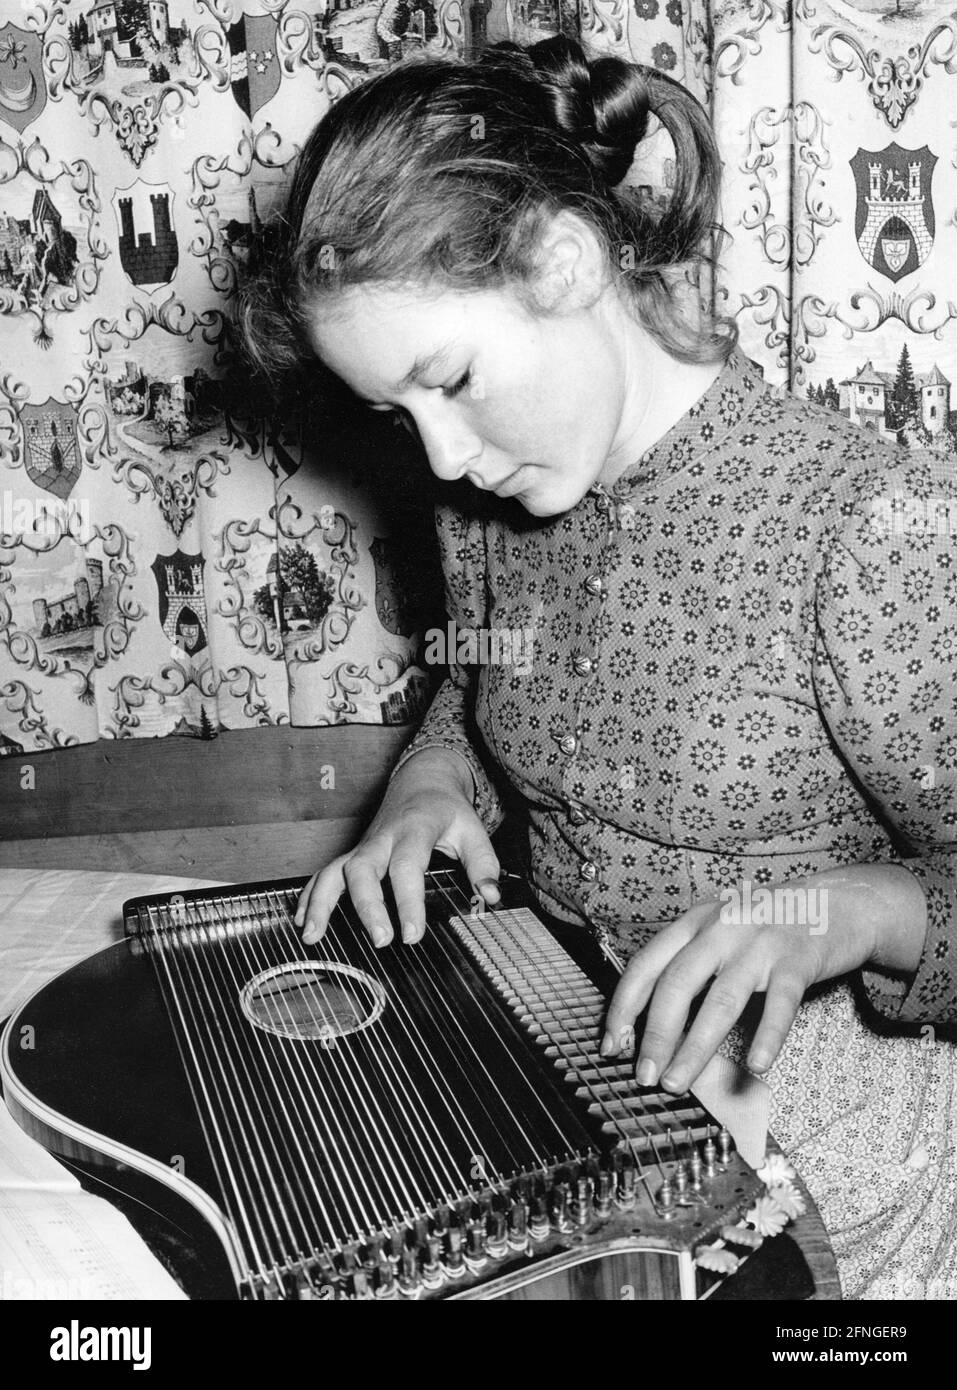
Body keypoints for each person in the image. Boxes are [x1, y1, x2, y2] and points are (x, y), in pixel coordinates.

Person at [239, 35, 957, 1298]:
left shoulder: (865, 526)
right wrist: (426, 788)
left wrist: (831, 910)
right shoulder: (495, 509)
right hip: (573, 1077)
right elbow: (478, 682)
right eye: (400, 417)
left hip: (841, 1165)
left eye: (450, 379)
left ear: (564, 261)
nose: (444, 458)